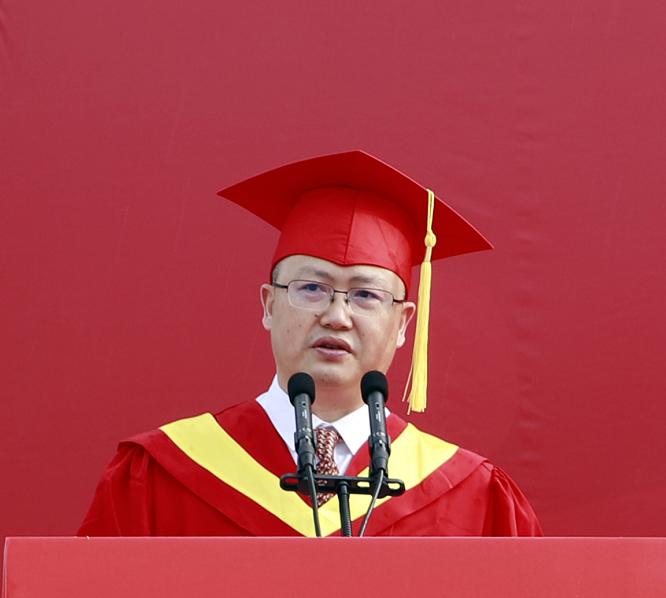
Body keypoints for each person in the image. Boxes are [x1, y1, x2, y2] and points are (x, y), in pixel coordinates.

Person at [78, 150, 542, 537]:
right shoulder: (162, 476)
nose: (337, 316)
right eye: (312, 288)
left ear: (403, 323)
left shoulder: (472, 497)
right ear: (269, 305)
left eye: (366, 295)